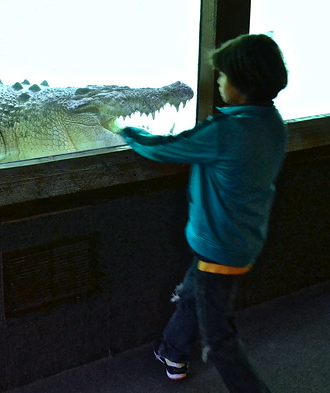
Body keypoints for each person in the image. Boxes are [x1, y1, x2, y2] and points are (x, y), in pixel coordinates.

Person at [118, 34, 288, 392]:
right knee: (195, 295)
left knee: (221, 339)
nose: (220, 82)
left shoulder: (226, 130)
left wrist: (127, 131)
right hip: (244, 240)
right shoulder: (272, 122)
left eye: (223, 76)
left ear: (242, 84)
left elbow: (164, 148)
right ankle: (172, 352)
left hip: (217, 247)